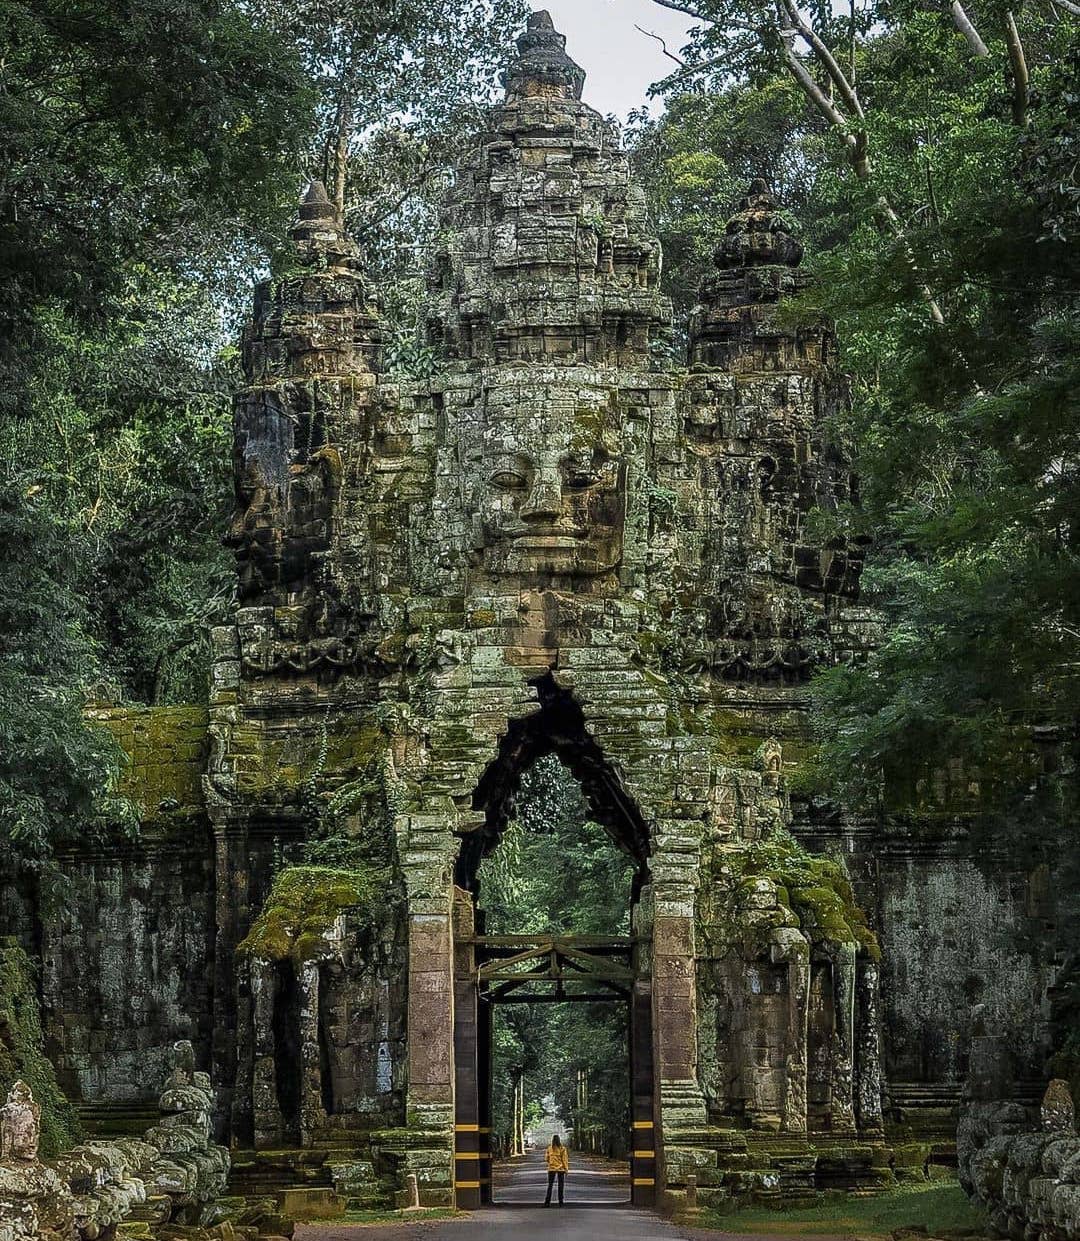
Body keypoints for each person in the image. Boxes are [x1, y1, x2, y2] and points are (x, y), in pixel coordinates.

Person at [544, 1133, 569, 1205]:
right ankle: (560, 1201)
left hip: (551, 1169)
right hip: (561, 1169)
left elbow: (546, 1158)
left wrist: (551, 1163)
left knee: (550, 1185)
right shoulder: (563, 1149)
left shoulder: (549, 1148)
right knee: (560, 1185)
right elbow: (564, 1160)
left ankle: (547, 1202)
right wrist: (566, 1169)